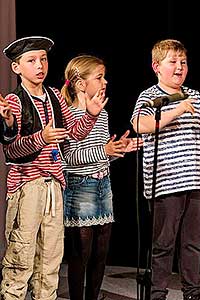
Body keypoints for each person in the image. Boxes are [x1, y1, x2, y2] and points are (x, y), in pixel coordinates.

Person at [0, 36, 107, 300]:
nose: (40, 65)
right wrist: (41, 138)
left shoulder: (55, 97)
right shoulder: (15, 102)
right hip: (28, 186)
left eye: (43, 59)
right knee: (21, 256)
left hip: (54, 185)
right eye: (32, 60)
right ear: (17, 68)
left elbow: (75, 133)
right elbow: (12, 151)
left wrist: (91, 114)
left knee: (50, 259)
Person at [130, 39, 200, 300]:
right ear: (156, 66)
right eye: (172, 62)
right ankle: (158, 292)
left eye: (183, 62)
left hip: (194, 180)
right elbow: (140, 124)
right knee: (163, 243)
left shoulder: (195, 95)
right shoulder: (150, 96)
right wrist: (178, 109)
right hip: (165, 182)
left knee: (192, 242)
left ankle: (192, 291)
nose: (179, 67)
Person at [61, 55, 142, 300]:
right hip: (80, 185)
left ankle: (93, 296)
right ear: (80, 83)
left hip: (102, 184)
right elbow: (69, 159)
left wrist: (117, 151)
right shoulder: (68, 115)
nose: (105, 81)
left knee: (101, 249)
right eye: (99, 77)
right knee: (81, 251)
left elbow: (100, 156)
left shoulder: (102, 115)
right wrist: (105, 150)